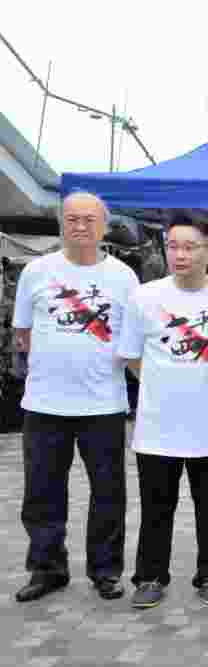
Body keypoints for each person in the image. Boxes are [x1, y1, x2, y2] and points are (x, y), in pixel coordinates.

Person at [12, 192, 140, 602]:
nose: (80, 226)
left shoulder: (124, 277)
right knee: (41, 491)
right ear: (61, 224)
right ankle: (47, 567)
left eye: (89, 219)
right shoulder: (36, 271)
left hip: (103, 404)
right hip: (45, 404)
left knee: (108, 491)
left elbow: (132, 341)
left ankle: (105, 570)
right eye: (72, 219)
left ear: (104, 226)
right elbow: (24, 334)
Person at [117, 210, 208, 609]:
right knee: (156, 508)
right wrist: (164, 382)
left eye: (190, 246)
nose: (180, 254)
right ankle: (150, 577)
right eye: (173, 246)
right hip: (156, 425)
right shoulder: (145, 295)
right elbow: (132, 356)